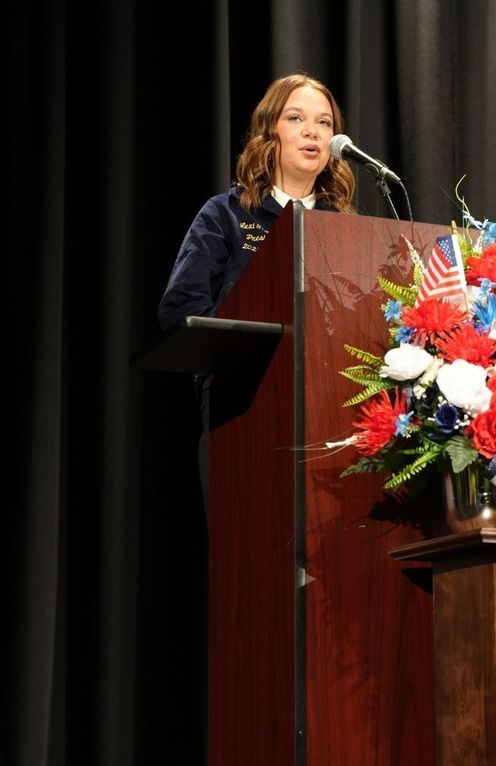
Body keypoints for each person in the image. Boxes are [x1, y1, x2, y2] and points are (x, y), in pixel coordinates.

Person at [156, 72, 357, 512]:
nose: (312, 132)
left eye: (324, 123)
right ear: (271, 133)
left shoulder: (347, 230)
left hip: (333, 410)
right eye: (296, 118)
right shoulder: (226, 214)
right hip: (243, 403)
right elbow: (180, 308)